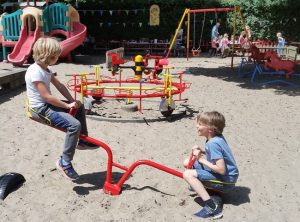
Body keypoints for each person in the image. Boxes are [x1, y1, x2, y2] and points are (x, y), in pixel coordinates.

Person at [25, 37, 98, 181]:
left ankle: (81, 141)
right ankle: (64, 162)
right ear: (47, 56)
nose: (58, 58)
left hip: (48, 104)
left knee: (80, 106)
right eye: (56, 56)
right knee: (73, 125)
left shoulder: (46, 68)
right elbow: (46, 97)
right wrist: (66, 106)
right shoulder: (35, 72)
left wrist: (72, 101)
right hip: (39, 109)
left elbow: (60, 86)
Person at [183, 111, 239, 219]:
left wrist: (201, 160)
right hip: (228, 176)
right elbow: (218, 154)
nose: (197, 126)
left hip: (226, 181)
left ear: (210, 129)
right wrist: (202, 151)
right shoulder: (216, 138)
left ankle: (213, 207)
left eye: (200, 124)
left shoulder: (212, 144)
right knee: (186, 162)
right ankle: (202, 186)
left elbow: (221, 170)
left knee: (187, 174)